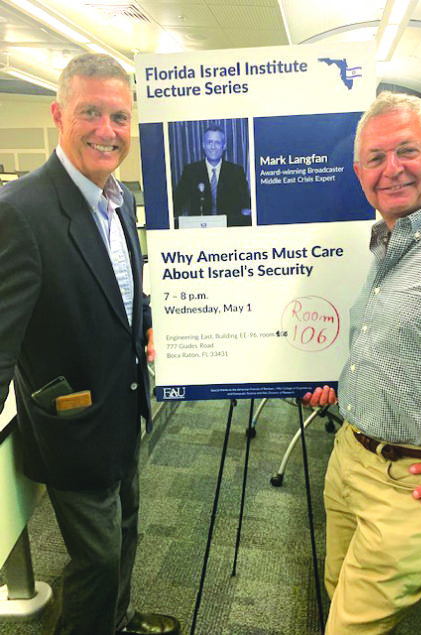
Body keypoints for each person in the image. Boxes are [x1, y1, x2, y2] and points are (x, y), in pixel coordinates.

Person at [0, 54, 180, 635]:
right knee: (98, 562)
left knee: (128, 530)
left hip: (124, 409)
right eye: (91, 113)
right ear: (59, 115)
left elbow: (123, 286)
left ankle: (119, 622)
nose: (107, 130)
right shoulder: (21, 213)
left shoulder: (117, 196)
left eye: (120, 117)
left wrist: (147, 320)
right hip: (71, 424)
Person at [303, 91, 421, 633]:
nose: (391, 170)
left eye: (406, 151)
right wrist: (346, 386)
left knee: (348, 627)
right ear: (359, 172)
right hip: (351, 458)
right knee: (336, 593)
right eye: (376, 159)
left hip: (416, 485)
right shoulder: (390, 239)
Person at [173, 125, 251, 227]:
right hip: (199, 232)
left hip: (228, 232)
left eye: (217, 143)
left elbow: (246, 206)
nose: (213, 147)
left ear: (224, 146)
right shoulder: (190, 171)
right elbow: (176, 203)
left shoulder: (236, 172)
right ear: (203, 145)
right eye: (209, 142)